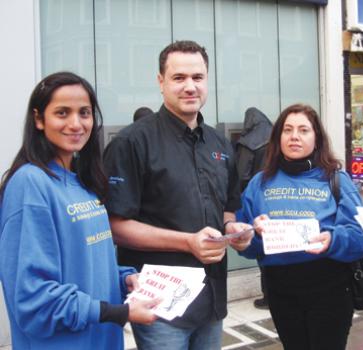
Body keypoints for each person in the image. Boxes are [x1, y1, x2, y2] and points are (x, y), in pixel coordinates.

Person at [103, 40, 253, 350]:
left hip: (212, 297)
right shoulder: (132, 143)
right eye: (178, 78)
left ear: (207, 80)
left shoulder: (220, 145)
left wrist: (232, 230)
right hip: (161, 306)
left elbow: (227, 209)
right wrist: (187, 242)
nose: (190, 87)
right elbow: (114, 226)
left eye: (197, 78)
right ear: (160, 82)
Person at [0, 72, 159, 350]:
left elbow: (88, 262)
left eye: (84, 113)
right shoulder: (30, 184)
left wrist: (124, 278)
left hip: (103, 340)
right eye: (62, 113)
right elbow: (33, 298)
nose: (76, 124)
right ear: (39, 119)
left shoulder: (84, 183)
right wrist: (118, 313)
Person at [238, 103, 363, 350]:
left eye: (303, 130)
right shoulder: (259, 183)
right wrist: (250, 236)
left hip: (330, 288)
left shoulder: (336, 179)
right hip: (280, 291)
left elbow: (361, 238)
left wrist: (332, 239)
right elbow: (245, 244)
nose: (294, 136)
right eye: (287, 130)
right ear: (278, 138)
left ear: (317, 138)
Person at [235, 106, 273, 309]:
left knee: (261, 246)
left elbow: (241, 175)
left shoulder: (248, 142)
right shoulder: (278, 136)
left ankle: (268, 296)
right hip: (277, 197)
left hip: (257, 200)